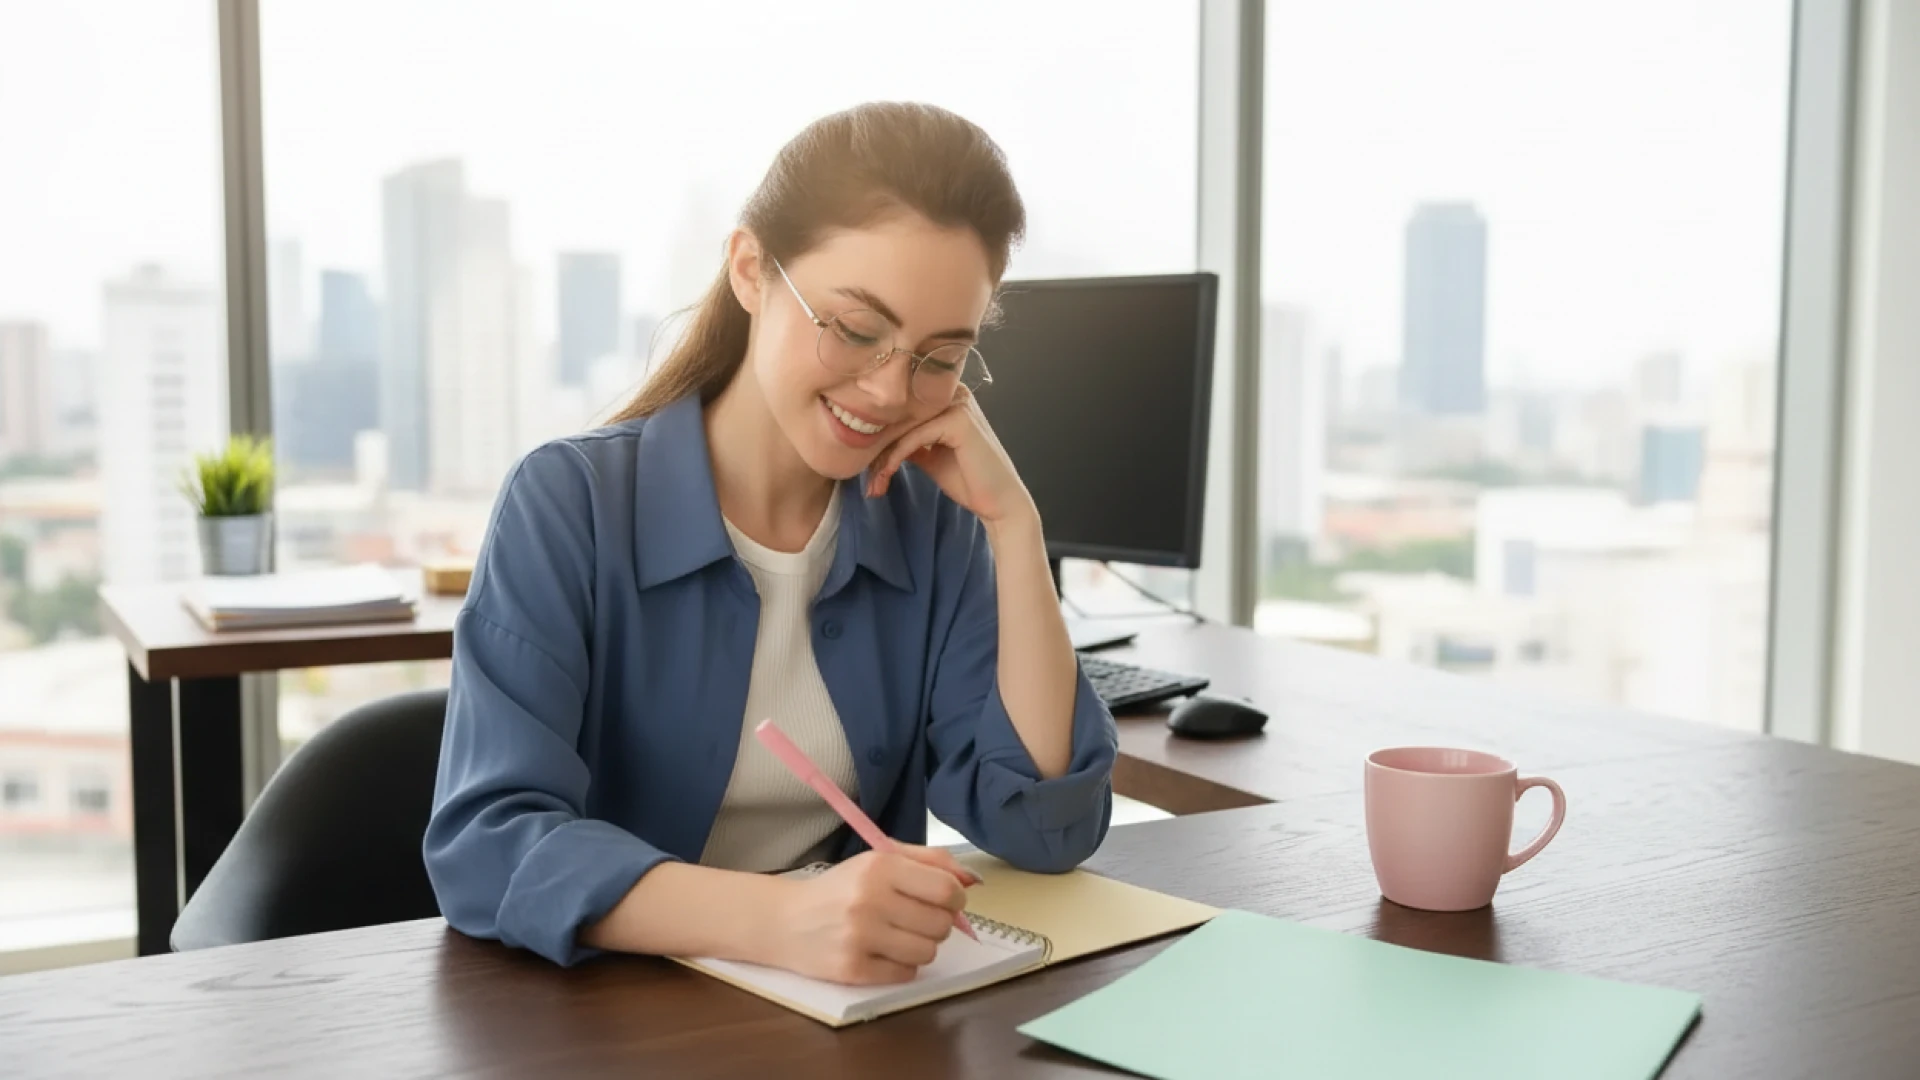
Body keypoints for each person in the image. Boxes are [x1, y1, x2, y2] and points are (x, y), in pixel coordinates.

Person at [424, 102, 1117, 984]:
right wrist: (780, 918)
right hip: (607, 1021)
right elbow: (486, 848)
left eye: (938, 358)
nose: (890, 390)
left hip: (847, 1021)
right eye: (857, 329)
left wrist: (1016, 529)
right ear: (751, 270)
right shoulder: (570, 504)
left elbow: (1044, 826)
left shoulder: (934, 525)